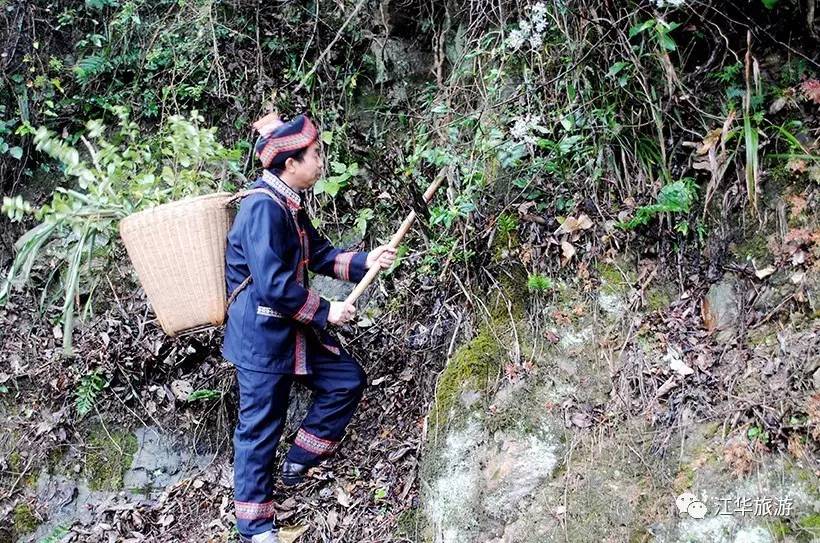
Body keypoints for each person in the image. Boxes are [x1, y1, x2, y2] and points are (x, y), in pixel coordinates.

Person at [222, 113, 397, 543]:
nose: (321, 162)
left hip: (289, 329)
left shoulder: (289, 205)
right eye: (315, 155)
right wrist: (326, 311)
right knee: (260, 426)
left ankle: (299, 460)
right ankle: (255, 526)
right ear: (290, 164)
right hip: (261, 337)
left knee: (345, 380)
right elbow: (273, 284)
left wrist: (365, 262)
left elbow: (318, 253)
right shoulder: (263, 207)